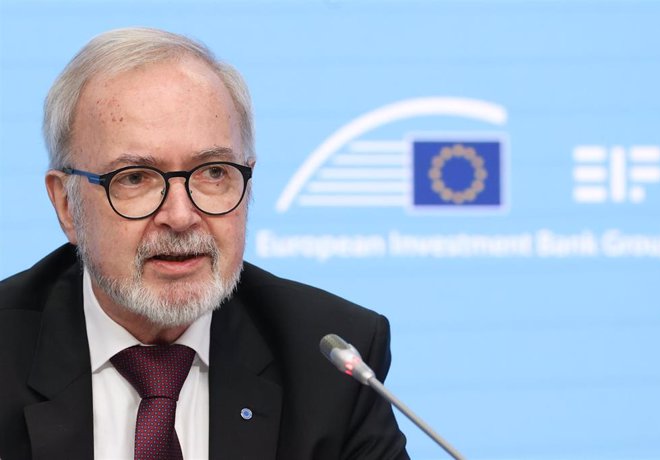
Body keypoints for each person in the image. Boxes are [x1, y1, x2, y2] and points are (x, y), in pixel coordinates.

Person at [0, 27, 408, 459]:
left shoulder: (328, 360)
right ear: (66, 205)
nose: (179, 216)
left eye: (213, 172)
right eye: (135, 178)